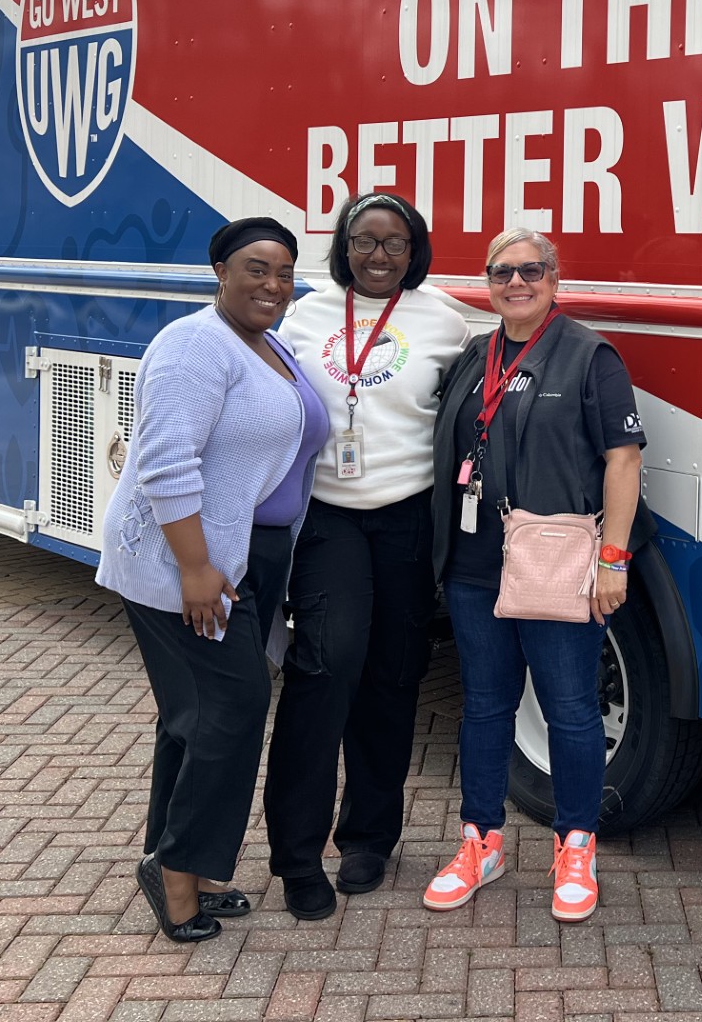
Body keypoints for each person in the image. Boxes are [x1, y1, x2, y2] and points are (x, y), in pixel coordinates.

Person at [97, 217, 327, 943]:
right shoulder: (195, 344)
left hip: (244, 557)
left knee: (193, 716)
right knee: (234, 705)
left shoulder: (266, 343)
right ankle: (176, 876)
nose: (273, 284)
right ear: (220, 271)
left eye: (285, 272)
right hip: (186, 563)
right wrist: (197, 568)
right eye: (256, 269)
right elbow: (167, 461)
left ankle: (180, 863)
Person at [423, 227, 648, 923]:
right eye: (502, 272)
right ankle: (480, 841)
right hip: (474, 566)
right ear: (487, 282)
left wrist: (613, 559)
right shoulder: (473, 354)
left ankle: (575, 847)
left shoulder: (589, 356)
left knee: (572, 711)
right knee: (486, 706)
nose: (515, 283)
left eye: (531, 270)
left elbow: (623, 460)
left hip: (556, 564)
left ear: (554, 278)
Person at [263, 192, 469, 919]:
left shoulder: (444, 319)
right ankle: (296, 853)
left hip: (407, 518)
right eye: (363, 241)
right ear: (342, 247)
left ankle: (368, 839)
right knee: (325, 669)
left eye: (394, 244)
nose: (378, 257)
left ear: (416, 252)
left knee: (393, 679)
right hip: (329, 519)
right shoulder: (307, 313)